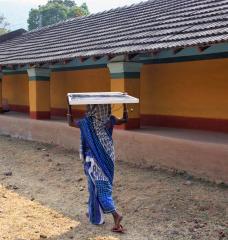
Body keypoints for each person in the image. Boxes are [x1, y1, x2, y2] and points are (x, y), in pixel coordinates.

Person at [67, 103, 128, 233]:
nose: (87, 109)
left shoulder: (86, 123)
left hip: (94, 160)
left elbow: (70, 123)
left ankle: (116, 215)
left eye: (89, 107)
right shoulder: (110, 120)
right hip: (108, 157)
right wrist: (125, 107)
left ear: (95, 109)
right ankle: (94, 213)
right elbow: (125, 120)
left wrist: (69, 108)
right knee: (93, 187)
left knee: (101, 188)